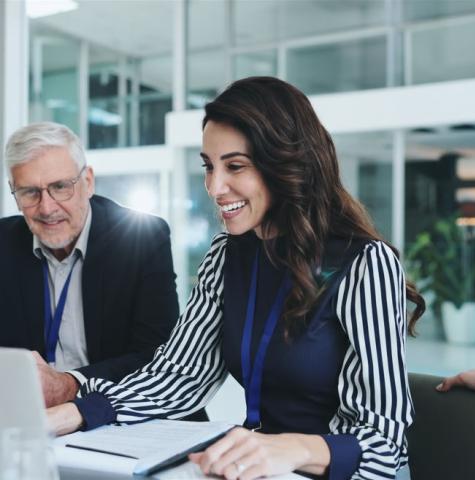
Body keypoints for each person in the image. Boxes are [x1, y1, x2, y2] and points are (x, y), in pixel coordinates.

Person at [48, 77, 424, 480]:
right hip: (257, 469)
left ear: (286, 163)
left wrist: (290, 449)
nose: (214, 187)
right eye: (209, 167)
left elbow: (385, 443)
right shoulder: (226, 255)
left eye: (235, 166)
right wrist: (68, 416)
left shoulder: (367, 262)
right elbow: (178, 378)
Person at [0, 121, 180, 408]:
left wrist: (70, 384)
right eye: (30, 192)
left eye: (60, 187)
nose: (47, 208)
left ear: (88, 182)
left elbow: (158, 356)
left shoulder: (142, 238)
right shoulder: (4, 244)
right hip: (31, 419)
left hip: (126, 414)